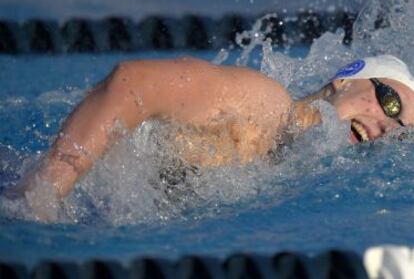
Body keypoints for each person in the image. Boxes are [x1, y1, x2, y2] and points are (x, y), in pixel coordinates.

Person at [6, 54, 414, 220]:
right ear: (347, 79)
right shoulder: (265, 106)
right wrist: (45, 193)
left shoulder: (292, 175)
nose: (387, 126)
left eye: (401, 132)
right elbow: (134, 81)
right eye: (391, 105)